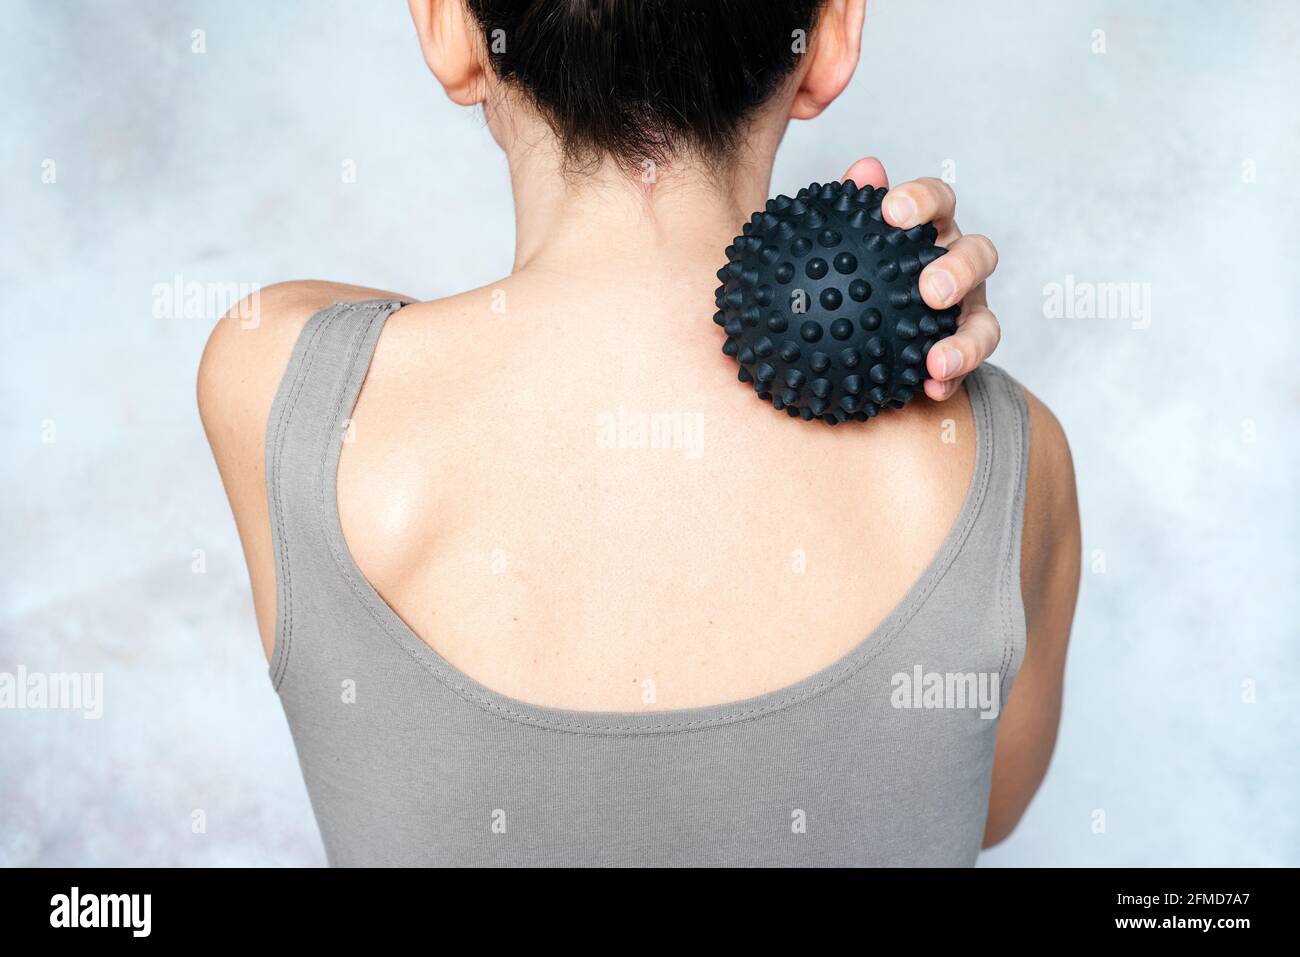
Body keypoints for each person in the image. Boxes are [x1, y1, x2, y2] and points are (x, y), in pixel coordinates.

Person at [198, 0, 1080, 866]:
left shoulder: (277, 384)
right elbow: (989, 802)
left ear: (446, 29)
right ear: (833, 38)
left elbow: (351, 336)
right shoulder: (1008, 454)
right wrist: (891, 301)